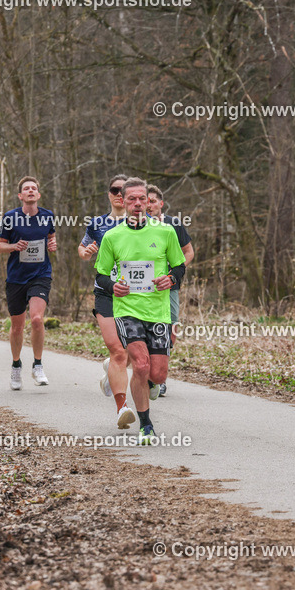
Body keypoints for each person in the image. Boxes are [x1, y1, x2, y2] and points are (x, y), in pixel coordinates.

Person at [94, 177, 186, 445]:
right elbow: (100, 275)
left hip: (158, 312)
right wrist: (113, 287)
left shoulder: (165, 232)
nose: (136, 204)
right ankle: (146, 424)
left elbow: (179, 267)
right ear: (123, 201)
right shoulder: (112, 237)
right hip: (127, 310)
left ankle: (150, 386)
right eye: (131, 199)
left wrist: (171, 279)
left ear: (148, 202)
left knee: (157, 374)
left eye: (141, 199)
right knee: (141, 364)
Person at [79, 174, 135, 428]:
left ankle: (109, 373)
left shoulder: (142, 224)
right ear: (109, 193)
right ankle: (122, 407)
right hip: (106, 292)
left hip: (137, 294)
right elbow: (82, 249)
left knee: (131, 352)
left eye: (125, 190)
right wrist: (87, 252)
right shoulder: (98, 223)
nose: (120, 194)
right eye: (115, 189)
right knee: (118, 352)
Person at [0, 176, 57, 390]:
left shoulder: (48, 216)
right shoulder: (10, 218)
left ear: (38, 195)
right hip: (16, 278)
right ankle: (16, 365)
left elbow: (51, 237)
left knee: (38, 319)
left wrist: (52, 243)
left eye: (34, 188)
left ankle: (38, 365)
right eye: (26, 189)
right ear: (20, 195)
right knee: (17, 327)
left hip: (40, 274)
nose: (30, 191)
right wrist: (14, 246)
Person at [146, 185, 195, 396]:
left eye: (153, 201)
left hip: (170, 285)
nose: (149, 205)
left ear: (161, 204)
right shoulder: (136, 226)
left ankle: (160, 370)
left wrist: (173, 273)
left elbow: (189, 252)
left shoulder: (173, 224)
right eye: (146, 201)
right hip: (143, 286)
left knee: (171, 325)